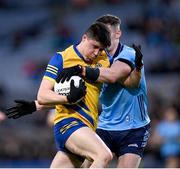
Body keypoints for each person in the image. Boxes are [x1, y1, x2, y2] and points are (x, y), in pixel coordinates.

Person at [5, 15, 145, 167]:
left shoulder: (103, 60)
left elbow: (131, 83)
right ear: (84, 38)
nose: (97, 53)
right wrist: (67, 99)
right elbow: (44, 94)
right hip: (68, 123)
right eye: (94, 47)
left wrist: (137, 68)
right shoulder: (62, 59)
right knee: (104, 155)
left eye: (101, 49)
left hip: (87, 128)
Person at [51, 14, 151, 168]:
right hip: (104, 125)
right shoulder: (95, 58)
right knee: (84, 165)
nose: (105, 39)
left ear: (118, 33)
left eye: (108, 34)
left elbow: (113, 76)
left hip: (133, 127)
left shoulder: (128, 54)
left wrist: (81, 70)